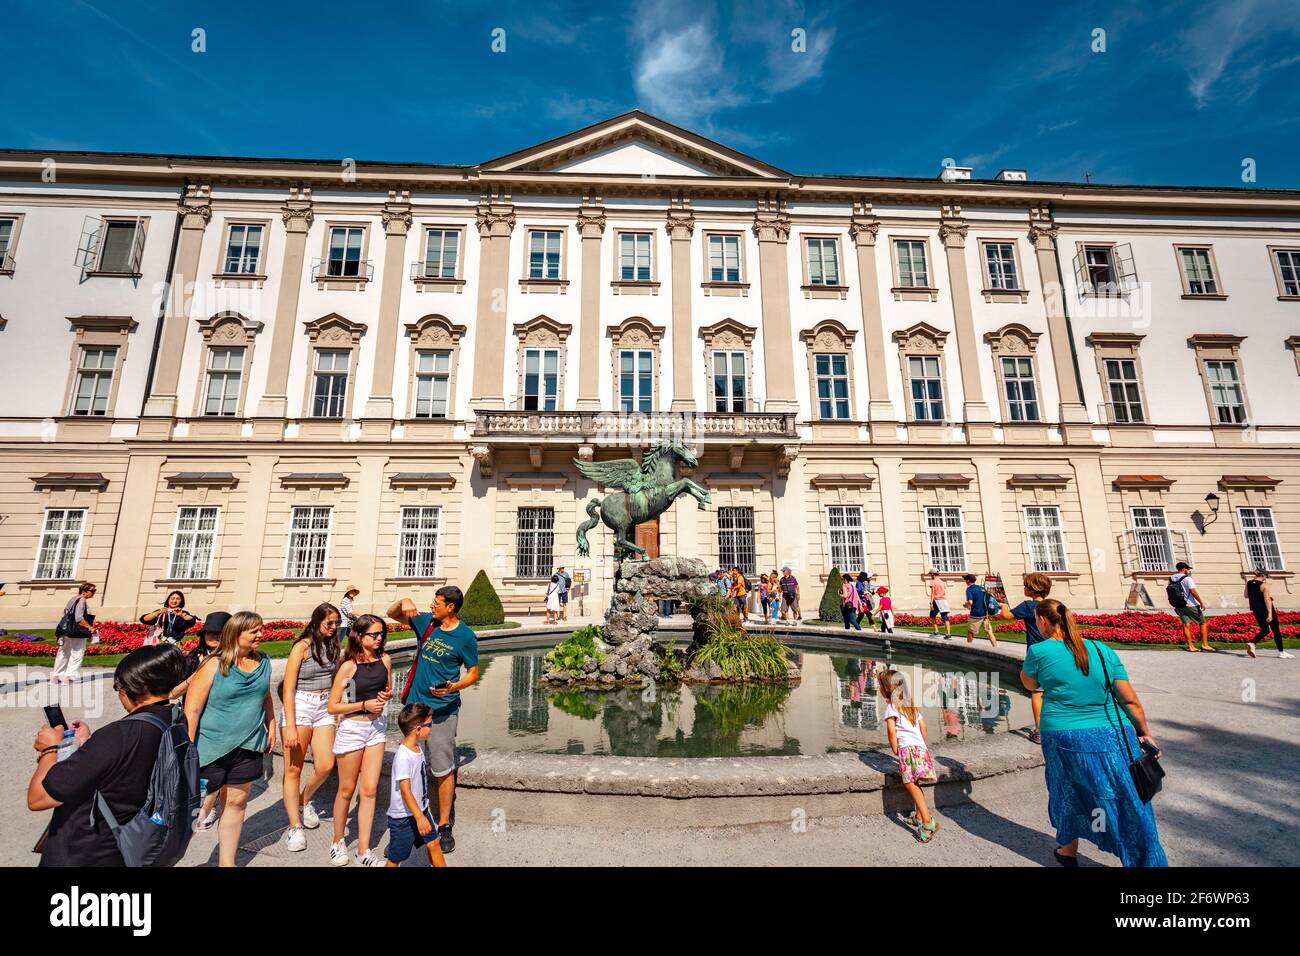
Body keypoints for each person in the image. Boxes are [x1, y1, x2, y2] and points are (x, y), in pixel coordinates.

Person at [1020, 599, 1167, 867]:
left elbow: (1030, 684)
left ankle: (1067, 851)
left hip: (1064, 735)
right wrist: (1144, 733)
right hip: (1113, 733)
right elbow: (1130, 701)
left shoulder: (1039, 651)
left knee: (1068, 790)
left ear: (1042, 621)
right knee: (1128, 796)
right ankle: (1145, 858)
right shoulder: (1101, 649)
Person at [28, 644, 186, 866]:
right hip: (136, 843)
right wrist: (89, 744)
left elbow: (39, 798)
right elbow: (125, 767)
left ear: (129, 688)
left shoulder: (119, 736)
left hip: (88, 851)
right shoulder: (176, 720)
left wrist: (49, 749)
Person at [387, 585, 480, 855]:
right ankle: (411, 817)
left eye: (436, 603)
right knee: (411, 765)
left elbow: (473, 673)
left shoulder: (465, 637)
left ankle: (444, 824)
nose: (432, 606)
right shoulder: (427, 622)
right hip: (416, 709)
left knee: (442, 769)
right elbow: (393, 614)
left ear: (450, 607)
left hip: (442, 711)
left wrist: (453, 687)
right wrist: (402, 599)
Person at [184, 611, 275, 867]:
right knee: (198, 810)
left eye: (261, 629)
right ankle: (167, 857)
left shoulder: (263, 661)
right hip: (211, 747)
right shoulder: (214, 664)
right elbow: (191, 709)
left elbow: (265, 696)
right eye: (254, 631)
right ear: (236, 634)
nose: (261, 634)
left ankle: (227, 863)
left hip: (248, 744)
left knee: (236, 802)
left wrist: (272, 724)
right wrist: (189, 747)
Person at [327, 613, 392, 867]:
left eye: (381, 634)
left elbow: (386, 689)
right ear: (359, 636)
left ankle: (363, 851)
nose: (379, 638)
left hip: (376, 728)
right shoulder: (348, 666)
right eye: (373, 634)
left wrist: (386, 696)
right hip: (353, 728)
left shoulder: (385, 659)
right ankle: (337, 841)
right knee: (346, 789)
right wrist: (363, 704)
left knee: (370, 790)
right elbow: (333, 706)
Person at [280, 603, 341, 852]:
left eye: (336, 623)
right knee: (293, 769)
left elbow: (341, 679)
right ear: (317, 623)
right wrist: (291, 725)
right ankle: (295, 826)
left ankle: (305, 800)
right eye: (330, 623)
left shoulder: (334, 645)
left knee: (326, 764)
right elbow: (288, 688)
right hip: (302, 704)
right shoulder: (301, 647)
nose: (334, 627)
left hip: (325, 705)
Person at [878, 667, 937, 843]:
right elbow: (924, 727)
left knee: (910, 783)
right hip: (921, 749)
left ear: (886, 690)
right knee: (916, 783)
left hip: (907, 750)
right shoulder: (911, 706)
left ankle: (928, 822)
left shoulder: (891, 708)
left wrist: (895, 748)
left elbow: (891, 731)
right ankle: (919, 816)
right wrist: (922, 745)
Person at [386, 703, 448, 868]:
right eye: (430, 724)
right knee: (395, 859)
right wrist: (419, 818)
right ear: (418, 729)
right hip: (404, 818)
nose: (432, 727)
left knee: (434, 844)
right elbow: (405, 791)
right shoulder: (403, 757)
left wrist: (421, 814)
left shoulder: (417, 746)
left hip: (421, 810)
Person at [995, 572, 1052, 741]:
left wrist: (1003, 605)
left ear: (1033, 590)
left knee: (1037, 691)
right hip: (1056, 651)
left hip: (1037, 653)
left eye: (1026, 586)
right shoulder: (1053, 605)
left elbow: (1006, 617)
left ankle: (1040, 730)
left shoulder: (1029, 606)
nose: (1024, 588)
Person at [170, 611, 229, 699]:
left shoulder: (238, 658)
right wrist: (198, 675)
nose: (215, 636)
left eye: (219, 633)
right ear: (204, 635)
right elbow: (173, 694)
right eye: (209, 632)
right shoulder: (193, 659)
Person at [51, 583, 97, 685]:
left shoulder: (73, 599)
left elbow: (64, 614)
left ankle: (56, 677)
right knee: (77, 653)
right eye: (92, 591)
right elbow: (79, 618)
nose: (94, 593)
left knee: (63, 653)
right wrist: (90, 627)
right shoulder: (82, 600)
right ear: (84, 591)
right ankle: (70, 677)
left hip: (65, 630)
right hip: (76, 631)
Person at [1245, 568, 1292, 659]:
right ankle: (1281, 652)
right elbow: (1267, 600)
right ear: (1263, 576)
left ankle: (1252, 643)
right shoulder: (1264, 585)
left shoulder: (1249, 583)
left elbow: (1246, 595)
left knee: (1265, 630)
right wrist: (1270, 613)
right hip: (1266, 609)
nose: (1265, 579)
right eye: (1265, 577)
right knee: (1276, 630)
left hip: (1256, 610)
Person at [1169, 561, 1213, 652]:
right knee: (1203, 623)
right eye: (1188, 569)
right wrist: (1201, 602)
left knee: (1186, 625)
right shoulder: (1187, 579)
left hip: (1179, 605)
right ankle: (1205, 645)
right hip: (1190, 604)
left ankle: (1191, 646)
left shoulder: (1171, 578)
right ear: (1184, 569)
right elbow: (1193, 591)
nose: (1188, 571)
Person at [962, 574, 998, 647]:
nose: (965, 581)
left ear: (968, 581)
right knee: (989, 632)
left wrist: (966, 605)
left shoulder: (969, 589)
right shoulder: (981, 588)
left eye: (965, 579)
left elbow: (970, 602)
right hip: (985, 613)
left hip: (976, 614)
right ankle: (995, 647)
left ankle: (969, 648)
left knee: (971, 632)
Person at [927, 571, 951, 638]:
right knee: (945, 617)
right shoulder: (941, 581)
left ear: (932, 574)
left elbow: (932, 593)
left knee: (932, 616)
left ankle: (936, 632)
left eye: (930, 574)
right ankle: (948, 634)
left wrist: (931, 603)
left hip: (937, 600)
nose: (930, 575)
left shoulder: (933, 581)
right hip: (943, 600)